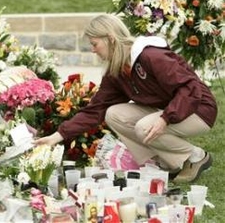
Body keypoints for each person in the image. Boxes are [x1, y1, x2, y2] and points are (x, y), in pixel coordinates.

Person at [34, 13, 217, 183]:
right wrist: (57, 136)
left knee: (144, 127)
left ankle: (195, 156)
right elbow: (96, 109)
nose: (93, 50)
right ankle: (159, 164)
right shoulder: (116, 71)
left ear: (110, 39)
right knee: (113, 114)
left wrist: (165, 118)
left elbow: (189, 88)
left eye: (95, 44)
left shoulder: (151, 56)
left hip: (198, 109)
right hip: (169, 110)